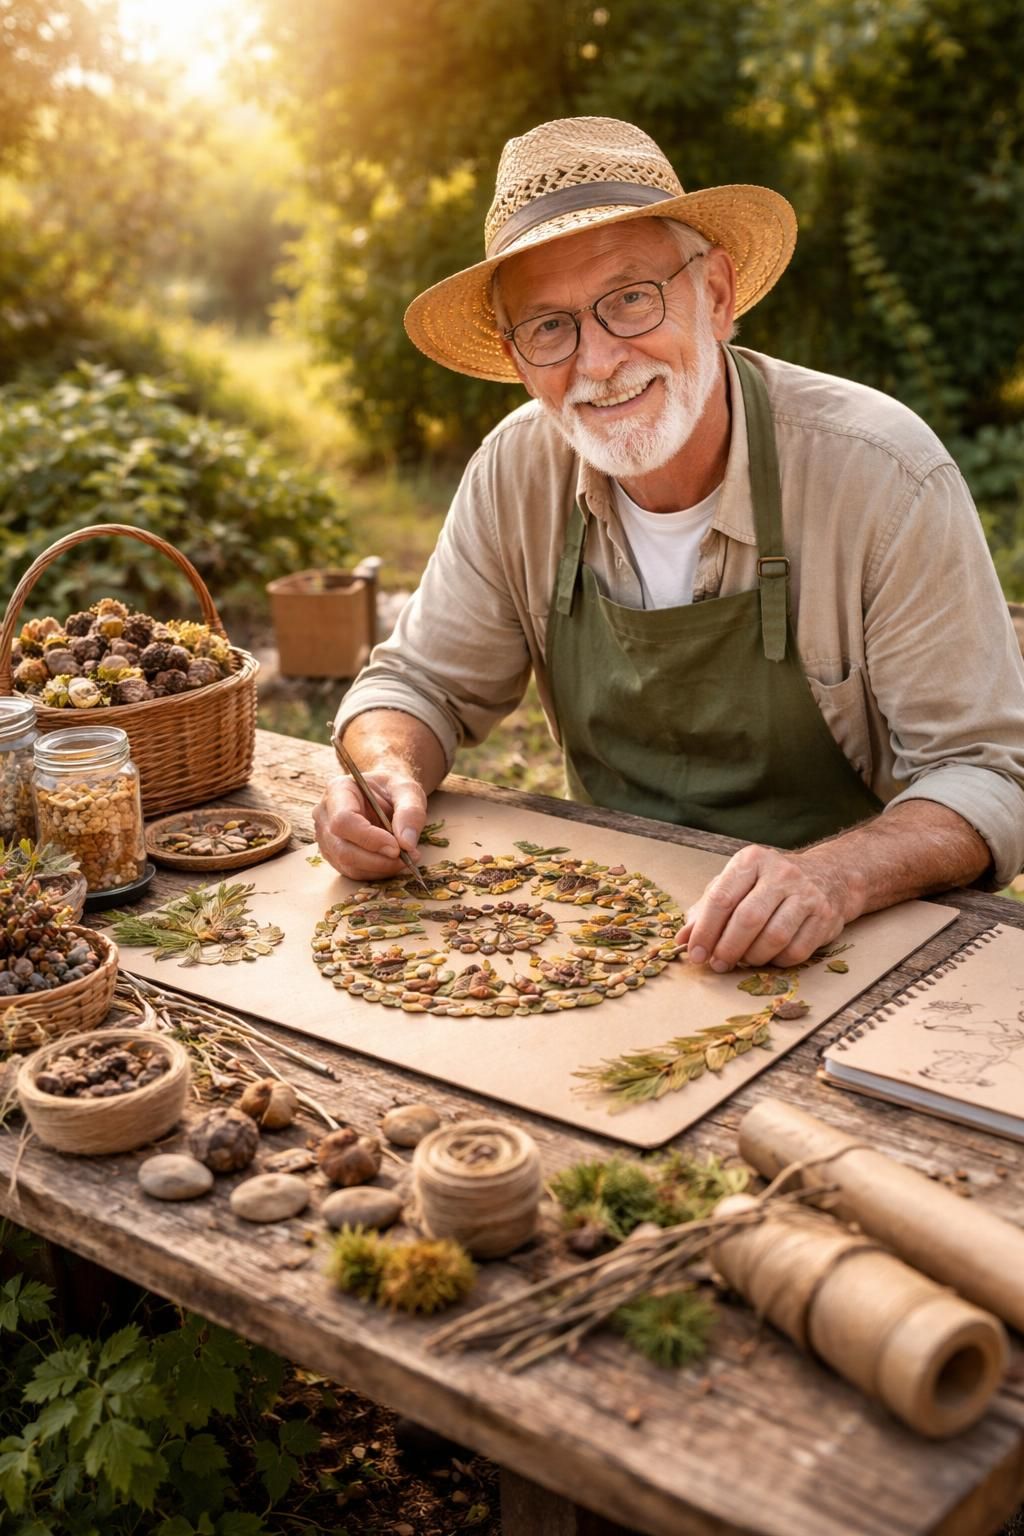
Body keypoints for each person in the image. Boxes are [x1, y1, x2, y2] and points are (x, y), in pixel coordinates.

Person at [314, 115, 1024, 972]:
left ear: (716, 295)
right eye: (549, 327)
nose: (598, 362)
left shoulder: (882, 474)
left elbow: (988, 772)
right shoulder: (515, 471)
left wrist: (833, 877)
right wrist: (384, 770)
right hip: (603, 929)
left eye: (630, 300)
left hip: (854, 939)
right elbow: (417, 685)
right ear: (516, 357)